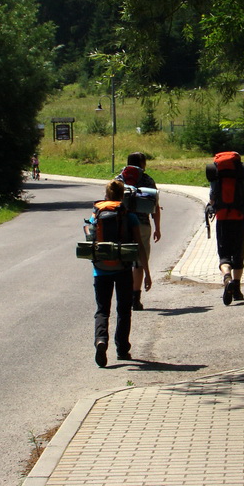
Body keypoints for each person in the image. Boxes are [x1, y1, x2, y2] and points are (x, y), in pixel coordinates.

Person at [87, 180, 152, 367]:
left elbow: (91, 239)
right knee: (123, 310)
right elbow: (139, 246)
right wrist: (146, 273)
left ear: (106, 195)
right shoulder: (129, 216)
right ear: (122, 196)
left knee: (102, 310)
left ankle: (101, 340)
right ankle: (122, 349)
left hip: (100, 270)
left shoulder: (96, 215)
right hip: (123, 269)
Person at [207, 152, 244, 305]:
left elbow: (212, 199)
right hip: (241, 218)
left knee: (224, 255)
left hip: (222, 218)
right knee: (238, 252)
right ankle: (237, 288)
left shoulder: (217, 178)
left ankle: (227, 278)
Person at [116, 152, 161, 310]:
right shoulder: (148, 180)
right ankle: (136, 298)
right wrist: (157, 228)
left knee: (123, 260)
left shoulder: (118, 179)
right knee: (139, 262)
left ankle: (124, 296)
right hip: (142, 224)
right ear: (142, 163)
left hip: (121, 224)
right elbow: (154, 206)